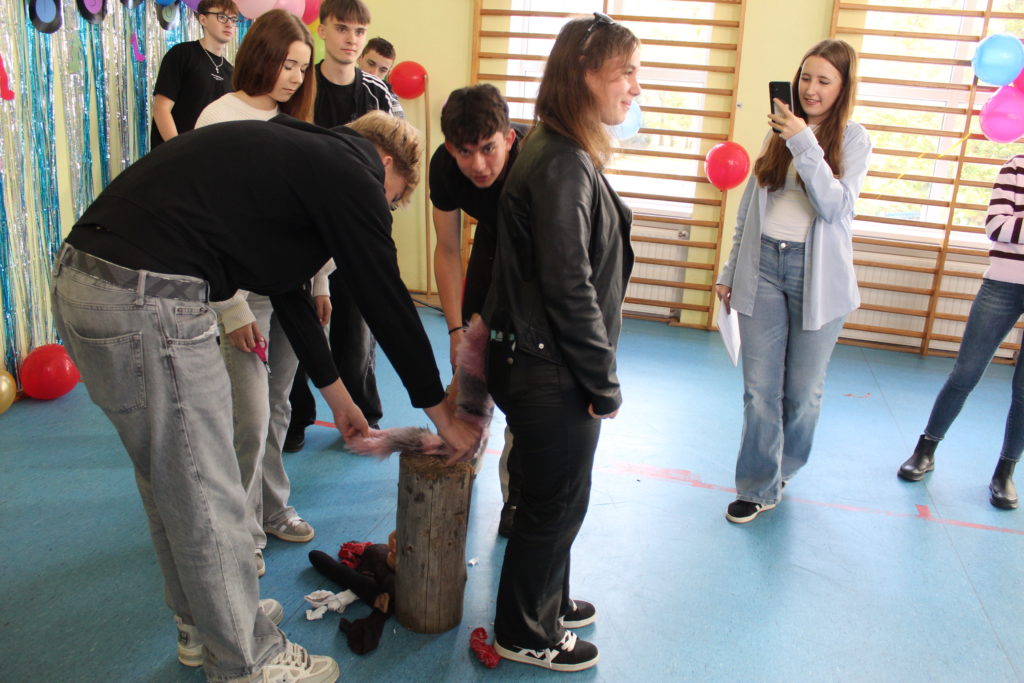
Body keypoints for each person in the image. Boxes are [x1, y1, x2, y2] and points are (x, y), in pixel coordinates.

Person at [51, 113, 479, 682]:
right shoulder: (354, 170)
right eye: (394, 199)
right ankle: (246, 659)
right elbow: (384, 293)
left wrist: (338, 398)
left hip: (88, 281)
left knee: (170, 479)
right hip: (148, 298)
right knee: (208, 489)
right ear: (384, 164)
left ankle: (207, 623)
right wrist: (442, 414)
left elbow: (287, 290)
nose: (386, 209)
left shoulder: (302, 155)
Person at [482, 12, 639, 672]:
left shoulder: (557, 147)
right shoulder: (561, 162)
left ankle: (547, 601)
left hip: (541, 359)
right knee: (553, 501)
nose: (635, 86)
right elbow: (569, 286)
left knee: (556, 493)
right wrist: (603, 383)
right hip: (550, 367)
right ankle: (525, 630)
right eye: (625, 72)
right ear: (584, 74)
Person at [715, 39, 871, 524]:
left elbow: (835, 207)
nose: (810, 89)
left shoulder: (853, 139)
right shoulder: (779, 131)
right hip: (762, 264)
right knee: (759, 389)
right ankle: (756, 486)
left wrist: (803, 141)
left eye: (824, 81)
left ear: (842, 88)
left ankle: (784, 468)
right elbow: (751, 205)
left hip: (816, 274)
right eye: (805, 77)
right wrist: (730, 269)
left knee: (802, 393)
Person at [195, 9, 324, 577]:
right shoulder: (219, 116)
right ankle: (239, 531)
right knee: (247, 417)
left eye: (302, 68)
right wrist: (230, 307)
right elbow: (204, 219)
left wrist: (321, 281)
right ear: (261, 57)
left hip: (291, 291)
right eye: (287, 64)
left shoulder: (296, 123)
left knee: (277, 407)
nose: (295, 77)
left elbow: (314, 212)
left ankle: (272, 508)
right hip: (240, 296)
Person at [284, 0, 402, 452]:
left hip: (356, 233)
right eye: (342, 29)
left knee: (355, 331)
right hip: (301, 230)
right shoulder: (300, 85)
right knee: (298, 329)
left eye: (358, 31)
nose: (351, 39)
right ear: (322, 30)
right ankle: (295, 418)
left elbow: (400, 159)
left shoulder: (378, 94)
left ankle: (363, 416)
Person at [897, 154, 1024, 509]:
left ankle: (1005, 471)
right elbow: (996, 227)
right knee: (965, 373)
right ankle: (926, 449)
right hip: (1002, 284)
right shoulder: (1016, 166)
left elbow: (1010, 227)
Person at [430, 84, 528, 537]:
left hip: (539, 251)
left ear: (508, 138)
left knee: (523, 385)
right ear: (451, 148)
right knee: (470, 373)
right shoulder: (445, 167)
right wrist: (456, 331)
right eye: (465, 153)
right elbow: (448, 250)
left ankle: (517, 497)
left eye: (488, 149)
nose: (479, 165)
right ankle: (458, 474)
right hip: (491, 238)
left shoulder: (538, 164)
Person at [150, 0, 239, 149]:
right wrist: (179, 150)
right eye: (222, 17)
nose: (229, 24)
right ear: (203, 19)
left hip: (209, 156)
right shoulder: (182, 54)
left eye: (233, 19)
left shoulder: (231, 72)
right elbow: (161, 109)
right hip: (175, 154)